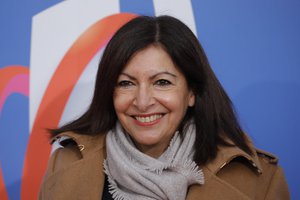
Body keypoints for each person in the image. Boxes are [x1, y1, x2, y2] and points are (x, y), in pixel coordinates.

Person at [39, 15, 290, 200]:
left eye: (162, 82)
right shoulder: (64, 165)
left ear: (191, 92)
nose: (143, 101)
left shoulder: (261, 183)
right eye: (126, 83)